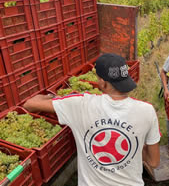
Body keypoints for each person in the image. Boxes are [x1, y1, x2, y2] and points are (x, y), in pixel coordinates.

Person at [23, 53, 161, 186]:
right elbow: (154, 162)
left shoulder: (80, 104)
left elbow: (29, 104)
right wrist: (136, 147)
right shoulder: (147, 111)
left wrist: (52, 98)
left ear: (103, 83)